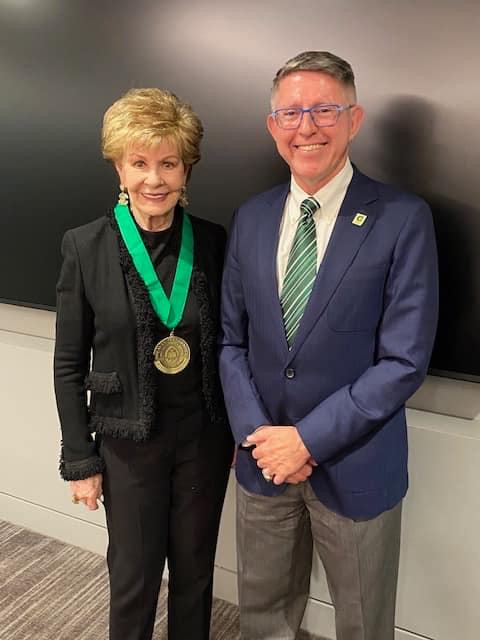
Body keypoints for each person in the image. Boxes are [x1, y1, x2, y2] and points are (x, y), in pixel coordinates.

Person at [219, 51, 438, 640]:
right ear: (272, 127)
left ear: (355, 118)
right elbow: (230, 341)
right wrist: (263, 440)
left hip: (355, 462)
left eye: (323, 109)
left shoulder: (402, 218)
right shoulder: (252, 217)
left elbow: (404, 360)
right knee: (263, 616)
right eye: (290, 113)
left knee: (365, 623)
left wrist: (307, 440)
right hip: (262, 460)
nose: (306, 127)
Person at [54, 88, 233, 640]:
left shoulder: (212, 242)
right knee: (133, 575)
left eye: (168, 163)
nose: (154, 179)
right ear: (119, 166)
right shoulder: (85, 246)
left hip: (202, 440)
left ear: (186, 169)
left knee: (196, 571)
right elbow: (67, 362)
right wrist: (81, 460)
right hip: (126, 443)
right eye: (140, 163)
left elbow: (230, 344)